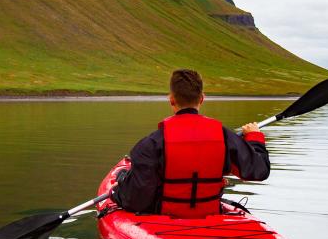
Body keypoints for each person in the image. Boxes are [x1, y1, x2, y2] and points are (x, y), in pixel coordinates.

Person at [112, 69, 270, 218]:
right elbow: (260, 171)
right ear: (202, 98)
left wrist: (118, 189)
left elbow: (135, 200)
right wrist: (254, 137)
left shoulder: (152, 143)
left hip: (165, 219)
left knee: (124, 177)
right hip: (210, 216)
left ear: (172, 100)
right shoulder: (225, 137)